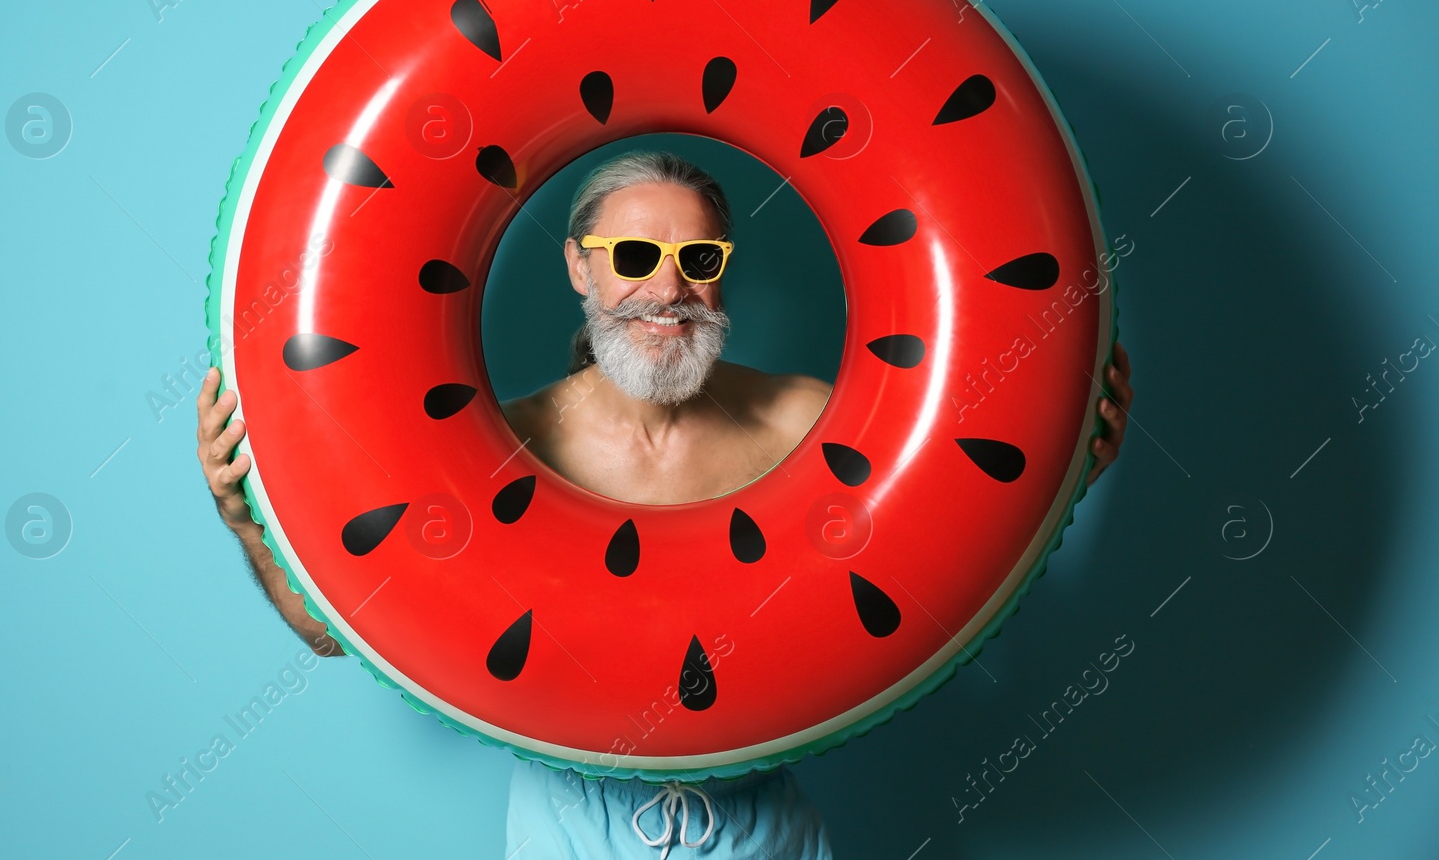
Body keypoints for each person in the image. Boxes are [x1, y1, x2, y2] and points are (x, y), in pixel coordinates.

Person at [196, 150, 1136, 859]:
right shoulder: (502, 446)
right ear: (579, 268)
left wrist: (1065, 474)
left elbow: (946, 564)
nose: (667, 285)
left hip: (769, 838)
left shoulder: (811, 422)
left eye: (697, 254)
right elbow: (338, 628)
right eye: (634, 252)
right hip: (568, 841)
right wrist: (250, 525)